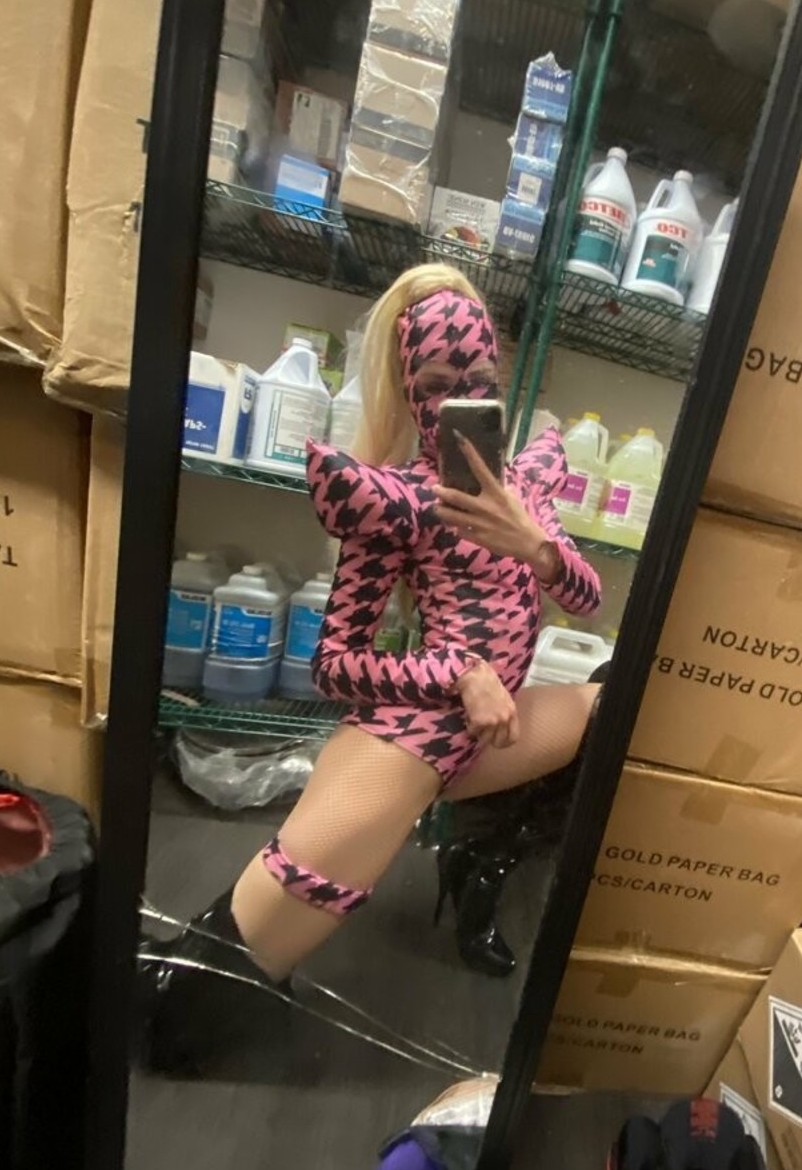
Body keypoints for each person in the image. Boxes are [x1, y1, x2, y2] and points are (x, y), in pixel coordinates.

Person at [142, 265, 603, 1065]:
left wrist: (534, 544)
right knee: (199, 1003)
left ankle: (482, 857)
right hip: (418, 734)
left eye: (480, 381)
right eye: (438, 383)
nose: (461, 398)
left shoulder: (526, 488)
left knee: (615, 706)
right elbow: (335, 664)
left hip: (496, 727)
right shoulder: (394, 502)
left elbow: (587, 599)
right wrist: (460, 671)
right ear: (408, 390)